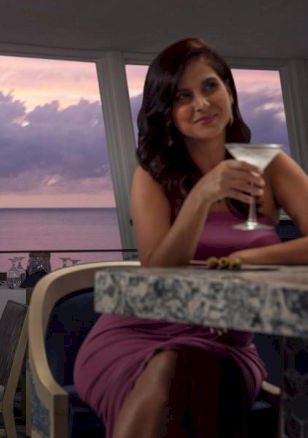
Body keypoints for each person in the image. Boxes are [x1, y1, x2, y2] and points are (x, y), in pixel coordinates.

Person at [74, 38, 308, 437]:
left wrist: (245, 260)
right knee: (167, 366)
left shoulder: (269, 164)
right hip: (136, 334)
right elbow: (157, 269)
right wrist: (202, 195)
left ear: (230, 92)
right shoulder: (152, 175)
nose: (201, 103)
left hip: (224, 340)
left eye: (210, 87)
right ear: (166, 113)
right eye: (183, 96)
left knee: (193, 373)